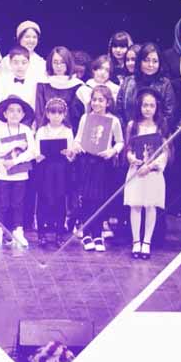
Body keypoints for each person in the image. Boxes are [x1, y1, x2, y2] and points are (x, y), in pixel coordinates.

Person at [71, 85, 124, 252]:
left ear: (108, 102)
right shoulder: (85, 118)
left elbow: (120, 142)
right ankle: (86, 233)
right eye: (94, 100)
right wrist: (77, 146)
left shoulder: (113, 121)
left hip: (103, 163)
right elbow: (77, 138)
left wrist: (112, 151)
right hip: (86, 161)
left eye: (101, 100)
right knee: (86, 199)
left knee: (100, 199)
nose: (97, 103)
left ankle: (98, 234)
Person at [124, 88, 168, 261]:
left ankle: (146, 242)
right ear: (139, 106)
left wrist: (151, 166)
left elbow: (165, 151)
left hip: (152, 172)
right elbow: (128, 148)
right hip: (136, 171)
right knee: (135, 205)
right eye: (145, 105)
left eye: (151, 106)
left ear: (156, 107)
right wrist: (131, 158)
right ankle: (136, 241)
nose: (148, 109)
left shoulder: (160, 126)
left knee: (150, 206)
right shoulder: (132, 125)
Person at [0, 96, 37, 248]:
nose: (14, 114)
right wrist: (16, 143)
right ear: (5, 114)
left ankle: (18, 231)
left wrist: (15, 162)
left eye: (18, 111)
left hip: (20, 174)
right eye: (11, 111)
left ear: (23, 115)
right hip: (2, 174)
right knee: (1, 203)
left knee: (18, 203)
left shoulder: (26, 130)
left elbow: (32, 151)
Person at [34, 97, 77, 248]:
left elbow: (71, 153)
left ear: (64, 114)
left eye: (60, 113)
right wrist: (38, 155)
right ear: (47, 114)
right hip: (45, 168)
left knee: (60, 200)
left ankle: (59, 233)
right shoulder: (41, 130)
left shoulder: (68, 131)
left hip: (61, 169)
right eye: (53, 112)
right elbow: (36, 150)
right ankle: (42, 233)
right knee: (43, 199)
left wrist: (69, 153)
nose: (56, 116)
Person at [117, 43, 177, 131]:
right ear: (139, 61)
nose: (150, 65)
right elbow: (119, 110)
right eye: (146, 60)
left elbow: (169, 114)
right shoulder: (128, 81)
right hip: (128, 133)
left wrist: (155, 131)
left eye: (155, 61)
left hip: (156, 134)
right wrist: (128, 130)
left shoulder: (165, 84)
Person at [0, 46, 39, 115]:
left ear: (29, 63)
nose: (20, 66)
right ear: (10, 63)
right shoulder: (1, 81)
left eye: (24, 62)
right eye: (16, 63)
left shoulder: (35, 83)